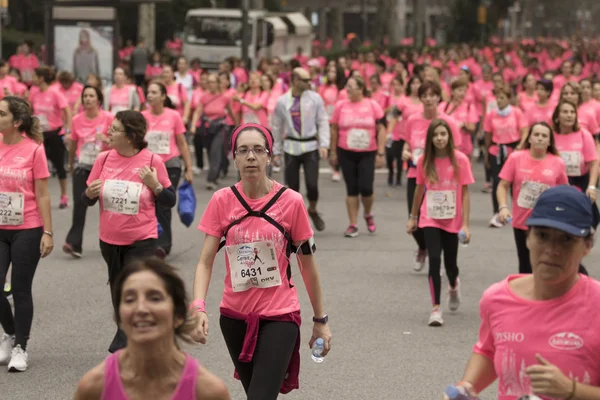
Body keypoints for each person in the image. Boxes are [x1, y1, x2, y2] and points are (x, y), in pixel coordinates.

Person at [191, 123, 332, 399]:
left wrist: (320, 319)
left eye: (258, 149)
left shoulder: (291, 202)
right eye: (243, 150)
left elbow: (308, 267)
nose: (251, 156)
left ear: (269, 157)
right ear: (234, 158)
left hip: (280, 316)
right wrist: (198, 307)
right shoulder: (222, 201)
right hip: (234, 318)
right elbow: (205, 262)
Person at [447, 185, 600, 400]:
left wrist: (572, 390)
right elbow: (489, 351)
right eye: (542, 235)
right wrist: (466, 387)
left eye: (566, 239)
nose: (552, 249)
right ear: (528, 238)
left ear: (587, 246)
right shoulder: (498, 298)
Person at [81, 110, 176, 352]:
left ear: (131, 136)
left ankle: (125, 341)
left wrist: (154, 185)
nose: (108, 133)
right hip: (109, 239)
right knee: (117, 288)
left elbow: (169, 200)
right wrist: (89, 194)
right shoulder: (103, 160)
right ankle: (132, 334)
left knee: (133, 289)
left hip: (142, 239)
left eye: (114, 130)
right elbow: (87, 199)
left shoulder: (152, 161)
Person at [73, 258, 230, 399]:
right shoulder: (94, 388)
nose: (141, 309)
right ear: (120, 317)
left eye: (155, 298)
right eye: (129, 299)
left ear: (178, 316)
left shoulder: (207, 391)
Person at [0, 96, 54, 372]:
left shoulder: (34, 150)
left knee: (20, 289)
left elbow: (43, 193)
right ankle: (9, 333)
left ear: (16, 121)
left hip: (27, 228)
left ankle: (21, 346)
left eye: (1, 114)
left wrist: (48, 231)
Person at [406, 119, 474, 326]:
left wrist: (466, 225)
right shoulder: (424, 160)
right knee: (434, 259)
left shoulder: (460, 160)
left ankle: (453, 285)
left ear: (450, 137)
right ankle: (435, 308)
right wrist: (413, 217)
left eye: (443, 134)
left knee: (450, 264)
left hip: (452, 219)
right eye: (435, 135)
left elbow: (465, 193)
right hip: (430, 217)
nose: (439, 138)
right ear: (430, 139)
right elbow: (418, 189)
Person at [401, 80, 462, 271]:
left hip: (440, 178)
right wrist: (405, 152)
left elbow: (456, 151)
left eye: (432, 95)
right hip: (416, 173)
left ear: (438, 97)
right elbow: (407, 143)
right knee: (415, 216)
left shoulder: (448, 122)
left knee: (439, 216)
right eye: (424, 96)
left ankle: (439, 257)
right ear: (420, 98)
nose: (428, 99)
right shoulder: (412, 120)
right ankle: (423, 247)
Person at [497, 122, 569, 274]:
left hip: (547, 221)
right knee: (525, 264)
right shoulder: (515, 158)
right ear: (529, 138)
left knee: (543, 262)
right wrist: (503, 207)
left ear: (549, 141)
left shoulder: (557, 162)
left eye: (544, 136)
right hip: (521, 222)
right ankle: (527, 296)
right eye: (536, 135)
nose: (540, 138)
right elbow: (503, 185)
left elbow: (564, 192)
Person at [272, 67, 330, 232]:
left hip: (311, 146)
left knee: (312, 185)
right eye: (305, 80)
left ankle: (312, 208)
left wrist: (324, 144)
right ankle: (296, 222)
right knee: (292, 188)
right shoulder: (283, 101)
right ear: (296, 81)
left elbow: (323, 121)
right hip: (291, 146)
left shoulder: (315, 98)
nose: (309, 83)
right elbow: (276, 126)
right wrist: (276, 151)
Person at [329, 76, 386, 237]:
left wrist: (381, 152)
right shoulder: (341, 106)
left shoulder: (372, 105)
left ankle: (367, 213)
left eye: (351, 86)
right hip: (346, 151)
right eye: (347, 86)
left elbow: (381, 129)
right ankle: (353, 224)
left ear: (361, 89)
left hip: (367, 152)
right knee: (352, 189)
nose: (347, 90)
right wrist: (333, 152)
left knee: (366, 188)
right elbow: (334, 129)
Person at [142, 81, 193, 257]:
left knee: (163, 204)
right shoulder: (142, 117)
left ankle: (163, 245)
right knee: (147, 204)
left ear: (163, 96)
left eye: (154, 92)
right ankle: (148, 240)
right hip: (148, 167)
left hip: (170, 164)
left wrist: (189, 168)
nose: (149, 96)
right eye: (148, 92)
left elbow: (182, 143)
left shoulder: (174, 116)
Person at [63, 86, 113, 258]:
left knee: (107, 206)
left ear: (99, 100)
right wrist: (70, 164)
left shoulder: (109, 118)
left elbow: (119, 141)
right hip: (82, 166)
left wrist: (107, 140)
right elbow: (74, 145)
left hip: (105, 168)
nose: (87, 99)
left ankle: (112, 241)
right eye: (85, 96)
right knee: (79, 203)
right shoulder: (76, 120)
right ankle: (74, 243)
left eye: (91, 96)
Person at [483, 85, 528, 228]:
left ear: (509, 99)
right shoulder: (491, 115)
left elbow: (525, 131)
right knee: (497, 181)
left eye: (502, 98)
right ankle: (498, 212)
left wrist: (521, 145)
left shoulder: (517, 112)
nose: (499, 101)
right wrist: (486, 154)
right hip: (496, 150)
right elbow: (488, 135)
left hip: (513, 149)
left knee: (516, 182)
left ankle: (518, 212)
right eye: (498, 98)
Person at [29, 66, 72, 209]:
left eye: (34, 76)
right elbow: (29, 109)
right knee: (36, 167)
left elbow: (67, 110)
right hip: (39, 134)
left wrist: (68, 130)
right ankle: (34, 197)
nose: (32, 79)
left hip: (54, 133)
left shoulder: (55, 92)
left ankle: (64, 196)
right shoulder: (33, 92)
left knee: (59, 166)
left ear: (41, 78)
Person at [189, 73, 235, 190]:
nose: (211, 84)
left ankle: (211, 179)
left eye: (213, 82)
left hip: (220, 127)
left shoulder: (224, 97)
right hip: (207, 127)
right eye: (209, 82)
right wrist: (194, 125)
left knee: (216, 150)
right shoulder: (204, 97)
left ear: (218, 83)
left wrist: (236, 125)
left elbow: (230, 112)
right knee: (209, 152)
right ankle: (215, 171)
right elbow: (198, 111)